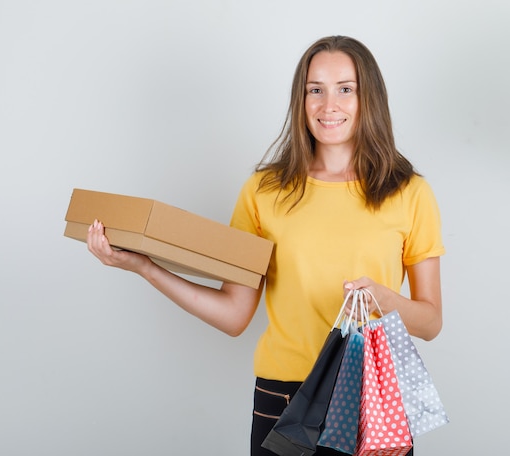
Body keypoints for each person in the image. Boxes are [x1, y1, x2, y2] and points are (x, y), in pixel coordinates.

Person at [87, 35, 445, 456]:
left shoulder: (408, 193)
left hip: (373, 398)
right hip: (283, 399)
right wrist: (146, 267)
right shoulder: (264, 191)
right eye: (316, 90)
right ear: (301, 99)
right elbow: (235, 314)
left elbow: (431, 322)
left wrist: (385, 300)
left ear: (369, 99)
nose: (329, 105)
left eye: (346, 89)